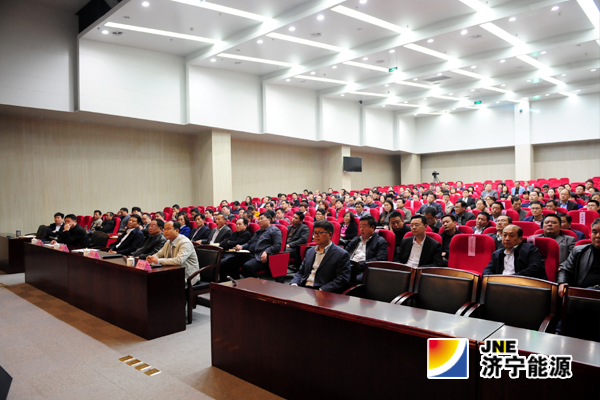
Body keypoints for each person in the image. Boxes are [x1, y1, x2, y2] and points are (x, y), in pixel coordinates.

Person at [290, 220, 351, 292]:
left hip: (323, 291)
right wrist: (294, 283)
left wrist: (322, 290)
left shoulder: (341, 254)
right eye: (315, 233)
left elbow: (342, 279)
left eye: (320, 233)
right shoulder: (310, 251)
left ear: (330, 235)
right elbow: (301, 272)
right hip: (304, 288)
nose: (316, 235)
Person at [147, 221, 200, 288]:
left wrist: (158, 260)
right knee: (153, 281)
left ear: (176, 230)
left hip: (187, 276)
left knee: (159, 283)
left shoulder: (185, 243)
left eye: (168, 229)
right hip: (172, 272)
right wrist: (152, 258)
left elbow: (178, 261)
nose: (165, 231)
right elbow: (159, 253)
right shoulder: (168, 242)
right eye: (164, 229)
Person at [482, 225, 547, 279]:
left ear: (520, 239)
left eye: (511, 236)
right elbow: (487, 269)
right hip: (500, 284)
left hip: (522, 284)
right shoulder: (497, 253)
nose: (507, 238)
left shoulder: (530, 249)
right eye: (504, 235)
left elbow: (535, 269)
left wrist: (511, 278)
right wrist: (491, 279)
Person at [557, 218, 600, 295]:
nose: (598, 236)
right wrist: (562, 283)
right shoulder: (579, 251)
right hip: (581, 293)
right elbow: (565, 270)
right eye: (594, 232)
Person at [239, 212, 283, 278]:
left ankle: (254, 283)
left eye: (261, 218)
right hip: (250, 254)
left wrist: (266, 251)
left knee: (247, 266)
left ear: (269, 220)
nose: (259, 221)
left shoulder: (275, 231)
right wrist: (241, 246)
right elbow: (249, 243)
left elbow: (277, 246)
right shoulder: (258, 231)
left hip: (260, 257)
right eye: (258, 219)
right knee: (232, 261)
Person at [345, 216, 388, 282]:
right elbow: (345, 252)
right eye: (360, 226)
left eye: (364, 226)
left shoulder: (380, 241)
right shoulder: (356, 239)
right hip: (350, 267)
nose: (361, 229)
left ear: (372, 228)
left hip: (365, 270)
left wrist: (358, 264)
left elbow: (380, 260)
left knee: (348, 279)